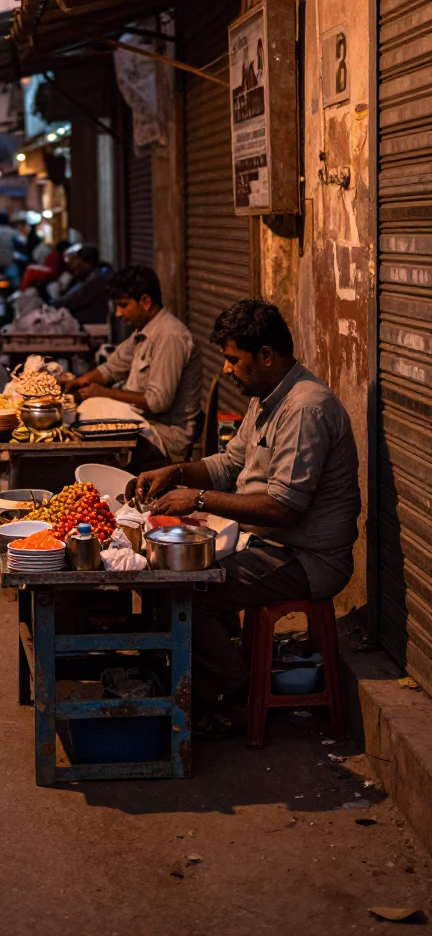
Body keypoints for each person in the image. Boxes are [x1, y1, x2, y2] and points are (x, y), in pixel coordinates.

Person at [135, 298, 361, 737]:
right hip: (269, 544)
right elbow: (228, 464)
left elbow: (283, 507)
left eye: (233, 359)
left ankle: (236, 697)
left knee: (189, 594)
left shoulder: (304, 409)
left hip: (306, 558)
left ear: (266, 356)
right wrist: (176, 471)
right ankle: (220, 681)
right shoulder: (267, 398)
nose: (226, 370)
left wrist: (198, 500)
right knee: (186, 574)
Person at [70, 264, 202, 470]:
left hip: (163, 439)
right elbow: (110, 370)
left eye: (124, 305)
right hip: (141, 425)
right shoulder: (143, 333)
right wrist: (77, 382)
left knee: (84, 450)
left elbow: (157, 402)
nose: (118, 313)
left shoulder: (170, 337)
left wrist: (101, 392)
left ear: (146, 302)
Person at [54, 244, 111, 325]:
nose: (74, 267)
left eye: (79, 264)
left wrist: (52, 303)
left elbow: (72, 299)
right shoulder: (90, 276)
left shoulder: (96, 279)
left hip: (92, 324)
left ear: (88, 263)